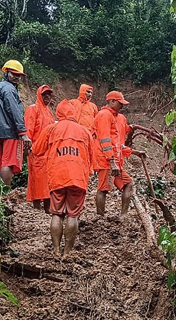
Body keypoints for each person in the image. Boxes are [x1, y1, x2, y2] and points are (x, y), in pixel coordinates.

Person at [33, 100, 93, 256]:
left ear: (58, 113)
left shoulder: (51, 129)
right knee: (73, 215)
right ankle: (67, 252)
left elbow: (37, 150)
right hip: (78, 178)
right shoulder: (84, 131)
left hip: (57, 177)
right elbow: (92, 157)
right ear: (74, 113)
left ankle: (55, 250)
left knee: (57, 214)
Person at [93, 91, 135, 216]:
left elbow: (116, 142)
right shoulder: (104, 115)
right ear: (111, 101)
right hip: (106, 161)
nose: (121, 106)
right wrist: (112, 162)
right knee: (103, 189)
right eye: (119, 103)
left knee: (129, 183)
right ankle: (100, 218)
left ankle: (124, 215)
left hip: (113, 161)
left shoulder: (114, 116)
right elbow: (104, 140)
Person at [25, 85, 55, 212]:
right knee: (36, 180)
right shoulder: (33, 109)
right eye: (44, 94)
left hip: (48, 152)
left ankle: (47, 208)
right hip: (36, 151)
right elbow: (28, 129)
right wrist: (29, 148)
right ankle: (37, 209)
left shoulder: (49, 112)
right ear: (39, 95)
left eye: (49, 94)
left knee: (48, 181)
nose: (47, 97)